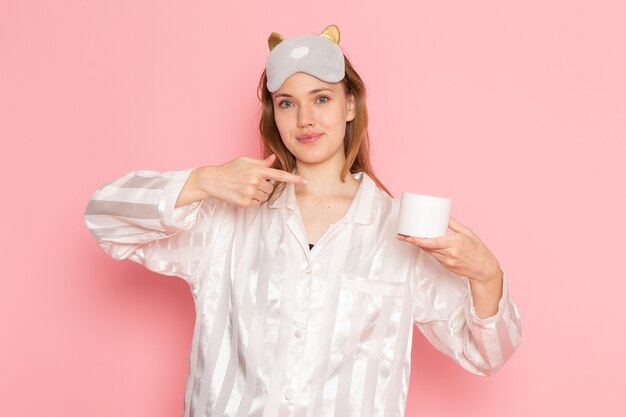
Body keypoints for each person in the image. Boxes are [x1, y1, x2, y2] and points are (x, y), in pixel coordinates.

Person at [84, 24, 522, 417]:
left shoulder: (398, 230)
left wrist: (486, 275)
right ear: (273, 113)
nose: (305, 119)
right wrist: (203, 181)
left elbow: (487, 354)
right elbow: (104, 217)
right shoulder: (227, 215)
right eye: (287, 103)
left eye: (322, 99)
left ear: (350, 106)